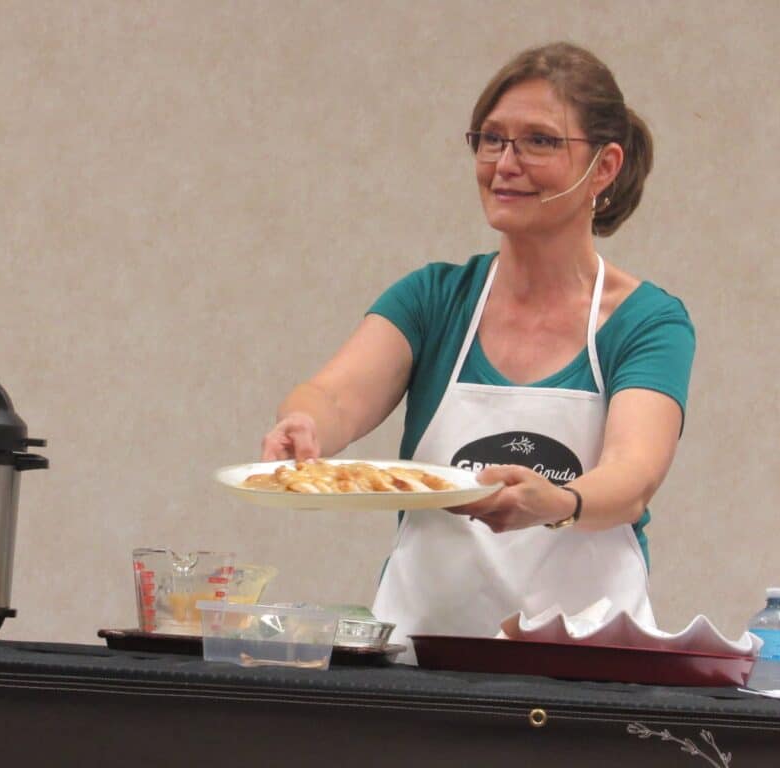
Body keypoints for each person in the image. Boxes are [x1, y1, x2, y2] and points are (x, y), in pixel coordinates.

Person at [259, 42, 695, 662]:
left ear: (604, 167)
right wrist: (302, 425)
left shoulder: (648, 321)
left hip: (587, 678)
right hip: (419, 670)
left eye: (539, 142)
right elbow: (332, 396)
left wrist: (559, 502)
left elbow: (632, 476)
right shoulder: (435, 297)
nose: (504, 164)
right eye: (491, 139)